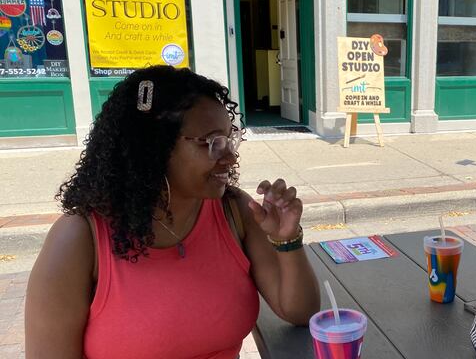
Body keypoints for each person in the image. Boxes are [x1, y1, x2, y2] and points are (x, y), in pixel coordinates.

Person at [25, 66, 320, 358]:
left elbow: (300, 311)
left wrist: (287, 239)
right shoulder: (79, 239)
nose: (230, 157)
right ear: (153, 147)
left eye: (230, 139)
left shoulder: (234, 212)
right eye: (212, 143)